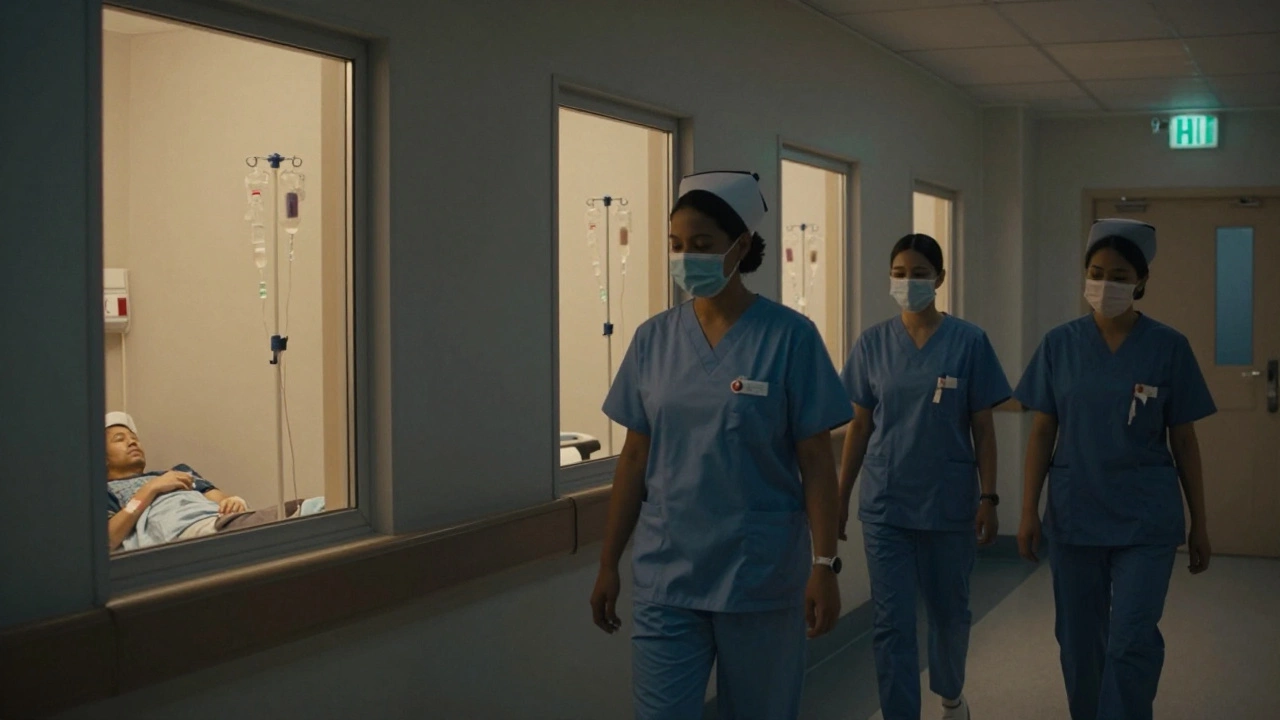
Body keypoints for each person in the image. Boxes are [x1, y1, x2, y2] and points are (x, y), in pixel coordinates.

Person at [588, 171, 853, 720]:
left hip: (758, 576)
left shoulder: (791, 337)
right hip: (667, 574)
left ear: (741, 246)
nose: (687, 257)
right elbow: (634, 459)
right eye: (676, 244)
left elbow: (816, 464)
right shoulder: (652, 339)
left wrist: (824, 563)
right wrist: (608, 561)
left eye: (702, 244)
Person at [1015, 219, 1215, 720]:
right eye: (1097, 273)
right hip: (1075, 512)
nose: (1106, 285)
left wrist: (1201, 522)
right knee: (1079, 640)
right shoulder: (1059, 345)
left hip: (1145, 519)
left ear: (1141, 281)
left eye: (1120, 276)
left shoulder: (1168, 347)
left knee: (1131, 639)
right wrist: (1027, 510)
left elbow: (1184, 439)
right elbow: (1042, 432)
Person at [838, 233, 1011, 720]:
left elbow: (983, 428)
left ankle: (951, 694)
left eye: (918, 273)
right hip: (886, 503)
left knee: (950, 614)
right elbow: (859, 427)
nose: (908, 281)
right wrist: (840, 498)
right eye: (899, 273)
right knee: (892, 623)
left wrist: (989, 498)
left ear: (939, 278)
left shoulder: (969, 342)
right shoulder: (872, 344)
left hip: (949, 503)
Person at [105, 412, 314, 551]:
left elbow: (222, 500)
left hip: (218, 522)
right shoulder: (105, 491)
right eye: (119, 439)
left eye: (134, 437)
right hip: (182, 532)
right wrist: (149, 490)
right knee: (297, 520)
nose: (132, 442)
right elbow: (108, 539)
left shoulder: (178, 472)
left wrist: (234, 502)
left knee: (309, 510)